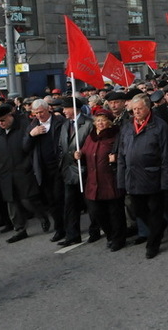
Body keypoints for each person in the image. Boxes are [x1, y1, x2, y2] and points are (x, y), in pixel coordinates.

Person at [116, 93, 168, 259]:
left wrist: (166, 181)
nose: (136, 112)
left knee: (155, 211)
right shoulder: (127, 127)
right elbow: (121, 155)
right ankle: (160, 226)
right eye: (134, 109)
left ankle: (153, 244)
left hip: (153, 176)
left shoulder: (159, 126)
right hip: (133, 178)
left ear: (148, 108)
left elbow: (167, 156)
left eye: (139, 108)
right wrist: (121, 180)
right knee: (137, 210)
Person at [0, 105, 49, 243]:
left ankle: (42, 217)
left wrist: (28, 165)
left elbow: (30, 147)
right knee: (12, 203)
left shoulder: (23, 126)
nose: (1, 123)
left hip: (23, 170)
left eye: (3, 120)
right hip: (5, 174)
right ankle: (19, 229)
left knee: (28, 200)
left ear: (10, 116)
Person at [76, 108, 125, 252]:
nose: (100, 123)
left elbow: (122, 153)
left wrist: (116, 158)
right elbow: (85, 155)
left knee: (115, 213)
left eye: (103, 120)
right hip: (93, 182)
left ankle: (118, 239)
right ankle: (110, 235)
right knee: (97, 212)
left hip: (110, 180)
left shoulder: (115, 136)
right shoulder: (91, 137)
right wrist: (78, 156)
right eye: (98, 120)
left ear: (109, 122)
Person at [23, 99, 64, 241]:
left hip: (59, 167)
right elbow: (25, 147)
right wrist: (31, 135)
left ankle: (67, 227)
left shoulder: (59, 121)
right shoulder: (32, 125)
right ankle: (59, 228)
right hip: (43, 170)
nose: (39, 115)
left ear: (48, 110)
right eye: (36, 113)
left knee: (61, 199)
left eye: (41, 112)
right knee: (51, 201)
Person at [57, 97, 94, 246]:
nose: (63, 111)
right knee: (70, 205)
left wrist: (82, 155)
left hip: (86, 170)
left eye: (65, 108)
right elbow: (61, 147)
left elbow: (93, 147)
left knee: (90, 203)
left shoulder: (89, 123)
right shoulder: (65, 125)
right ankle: (72, 235)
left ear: (74, 108)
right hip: (69, 171)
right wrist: (68, 158)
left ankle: (95, 231)